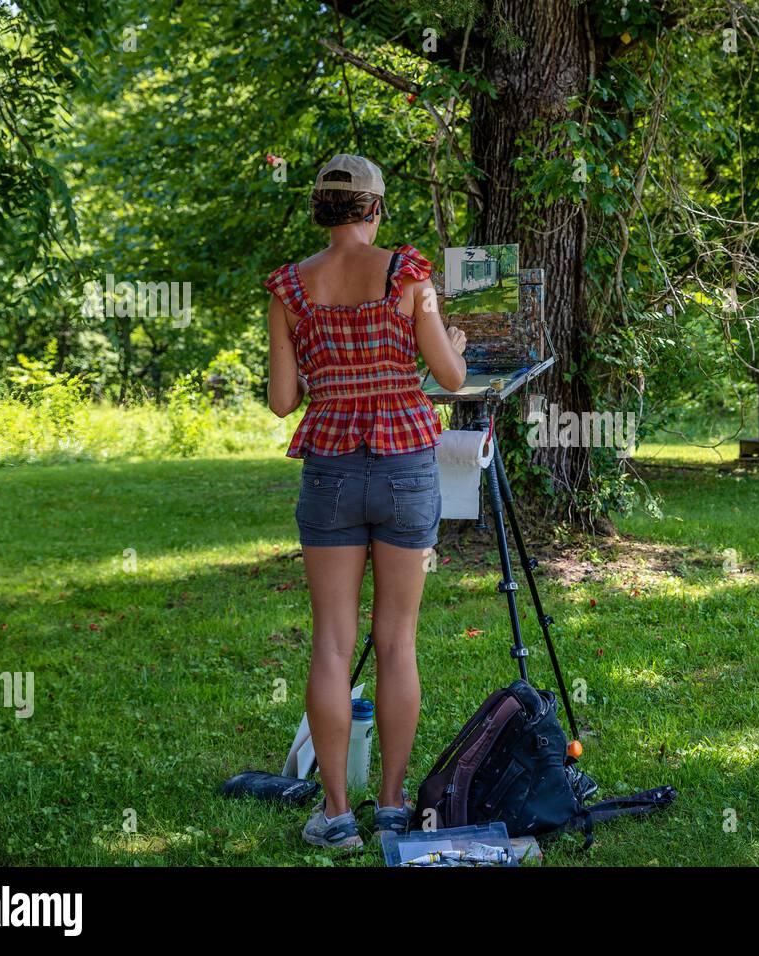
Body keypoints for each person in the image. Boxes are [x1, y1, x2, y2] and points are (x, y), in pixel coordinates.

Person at [264, 154, 467, 849]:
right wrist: (454, 340)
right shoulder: (409, 273)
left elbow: (283, 401)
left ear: (320, 210)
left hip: (330, 467)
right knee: (396, 641)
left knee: (331, 642)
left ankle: (336, 814)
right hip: (407, 462)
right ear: (376, 208)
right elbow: (450, 374)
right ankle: (391, 801)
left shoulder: (291, 287)